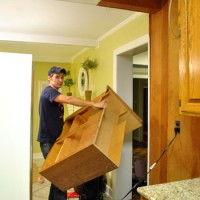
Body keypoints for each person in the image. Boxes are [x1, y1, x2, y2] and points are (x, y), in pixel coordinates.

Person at [37, 66, 107, 200]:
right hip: (48, 141)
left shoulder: (53, 93)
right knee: (61, 177)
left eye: (62, 77)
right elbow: (69, 100)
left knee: (58, 176)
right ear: (49, 78)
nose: (60, 80)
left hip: (55, 140)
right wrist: (94, 104)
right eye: (57, 77)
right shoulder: (48, 92)